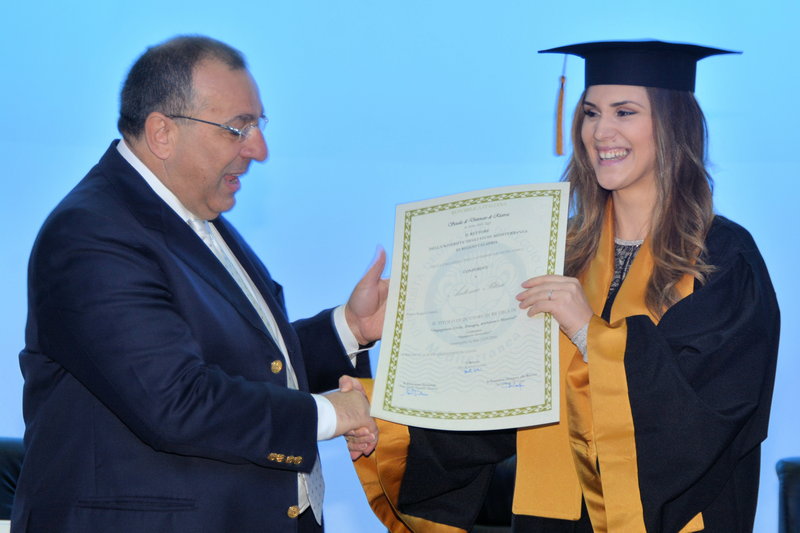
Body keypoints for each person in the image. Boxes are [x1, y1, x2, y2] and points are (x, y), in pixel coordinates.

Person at [353, 40, 780, 532]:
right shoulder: (559, 251)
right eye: (591, 113)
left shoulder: (719, 258)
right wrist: (381, 414)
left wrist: (588, 332)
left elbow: (709, 418)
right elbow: (497, 395)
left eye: (624, 112)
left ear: (672, 124)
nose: (601, 131)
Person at [12, 35, 386, 533]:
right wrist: (331, 414)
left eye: (259, 124)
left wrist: (349, 328)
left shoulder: (192, 217)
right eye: (238, 128)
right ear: (162, 133)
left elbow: (245, 364)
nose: (259, 149)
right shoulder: (91, 234)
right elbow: (175, 401)